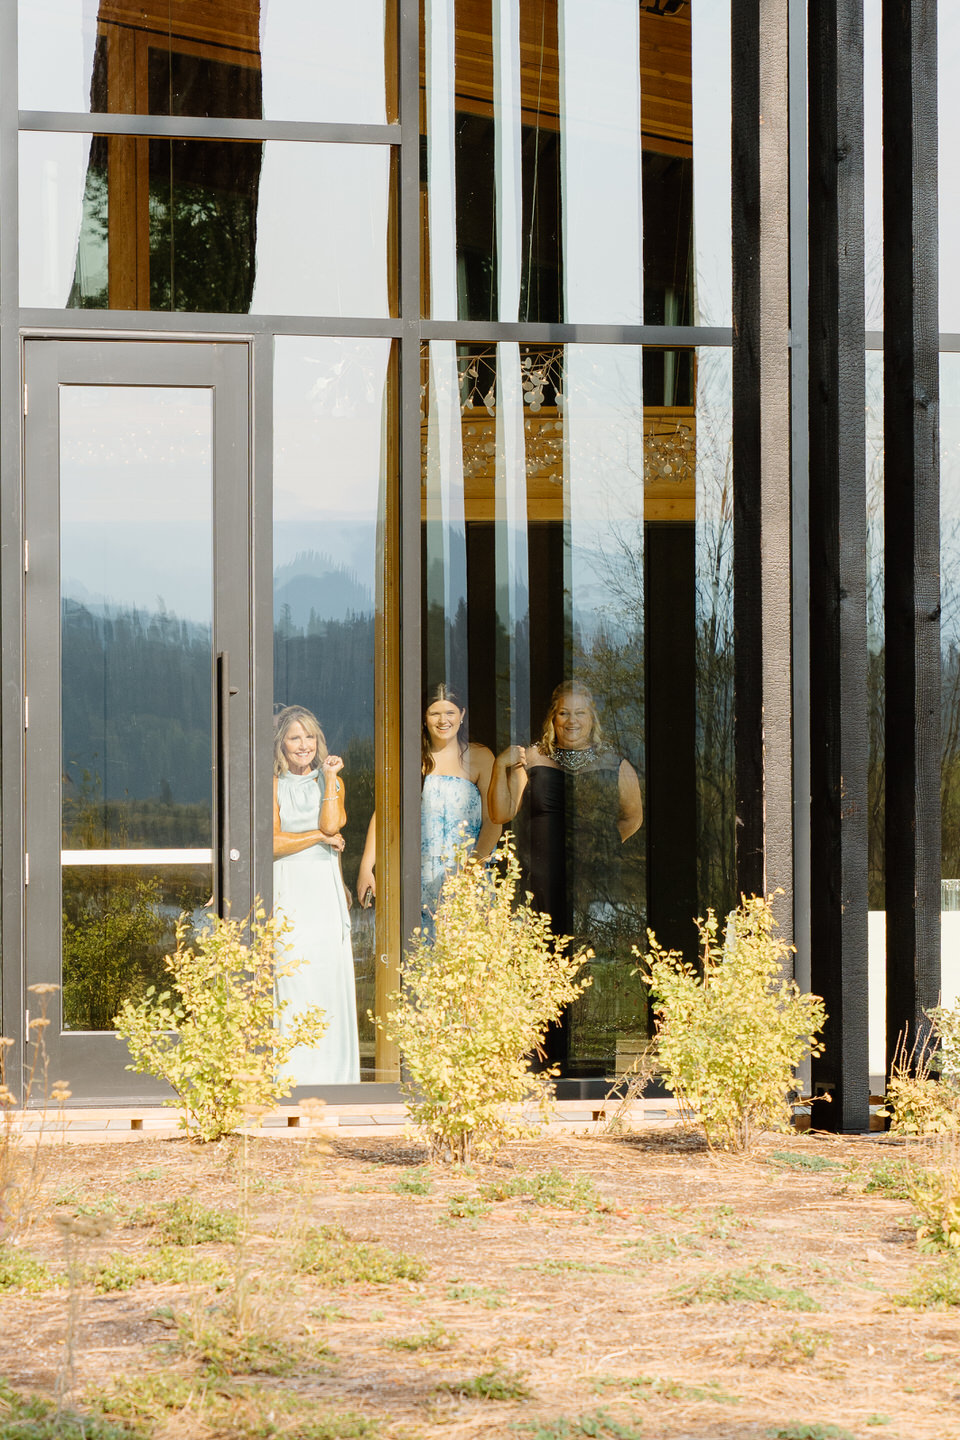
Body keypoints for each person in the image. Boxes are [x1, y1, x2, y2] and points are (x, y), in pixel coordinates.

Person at [488, 681, 643, 1065]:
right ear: (552, 718)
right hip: (540, 881)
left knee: (590, 963)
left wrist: (598, 853)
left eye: (580, 713)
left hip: (594, 885)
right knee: (543, 963)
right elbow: (500, 813)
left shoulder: (616, 763)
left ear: (593, 719)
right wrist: (499, 766)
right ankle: (542, 1059)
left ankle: (591, 1062)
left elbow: (632, 818)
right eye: (563, 713)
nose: (571, 720)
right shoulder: (533, 760)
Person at [356, 684, 500, 928]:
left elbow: (493, 821)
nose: (443, 720)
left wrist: (471, 871)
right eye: (435, 713)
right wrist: (366, 867)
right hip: (415, 877)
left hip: (465, 874)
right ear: (424, 718)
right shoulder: (411, 758)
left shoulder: (481, 757)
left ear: (462, 715)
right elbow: (384, 814)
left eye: (450, 713)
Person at [273, 704, 360, 1084]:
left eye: (310, 736)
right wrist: (318, 839)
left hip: (323, 889)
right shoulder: (273, 784)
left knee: (327, 977)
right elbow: (272, 842)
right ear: (283, 744)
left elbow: (331, 823)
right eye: (295, 737)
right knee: (292, 973)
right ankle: (294, 1073)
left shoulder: (333, 781)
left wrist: (329, 779)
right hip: (289, 886)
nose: (303, 744)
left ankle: (333, 1076)